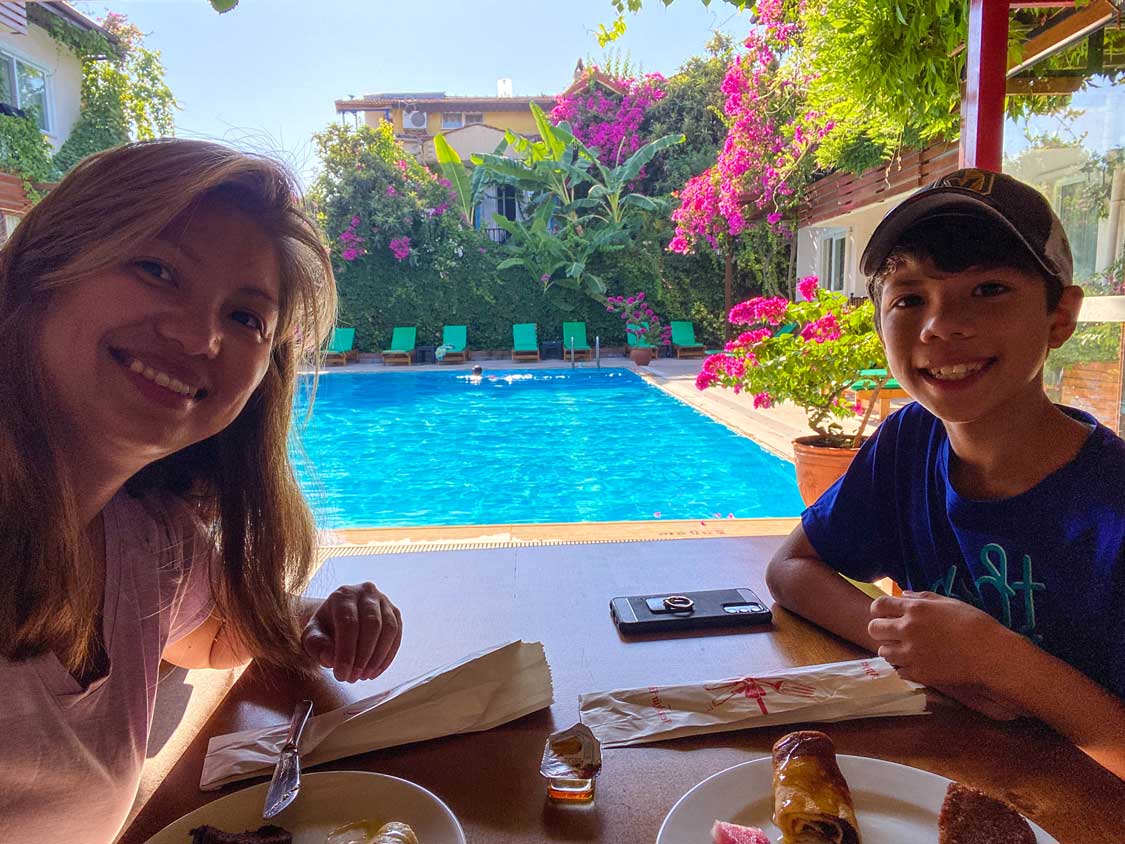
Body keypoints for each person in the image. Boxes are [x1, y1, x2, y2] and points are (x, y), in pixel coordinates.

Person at [0, 139, 404, 839]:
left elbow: (212, 635)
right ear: (44, 273)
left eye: (245, 318)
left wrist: (313, 617)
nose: (197, 337)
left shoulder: (141, 540)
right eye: (157, 270)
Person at [764, 168, 1125, 779]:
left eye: (988, 289)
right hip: (952, 780)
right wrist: (918, 653)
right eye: (909, 298)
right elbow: (792, 568)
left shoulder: (1109, 508)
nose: (940, 326)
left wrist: (998, 661)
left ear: (1060, 317)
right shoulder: (910, 441)